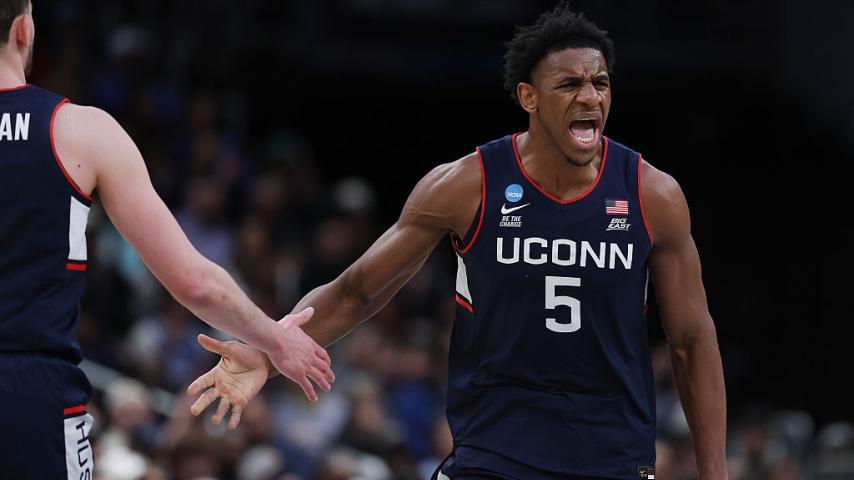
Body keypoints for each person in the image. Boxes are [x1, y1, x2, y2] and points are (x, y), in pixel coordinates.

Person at [188, 3, 727, 479]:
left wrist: (714, 472)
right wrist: (269, 350)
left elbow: (692, 340)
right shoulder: (467, 185)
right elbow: (358, 291)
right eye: (569, 85)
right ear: (529, 97)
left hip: (612, 456)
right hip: (494, 454)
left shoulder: (652, 195)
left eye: (600, 83)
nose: (589, 96)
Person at [0, 2, 333, 478]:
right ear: (23, 29)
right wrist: (275, 340)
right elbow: (194, 283)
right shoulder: (79, 130)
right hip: (32, 396)